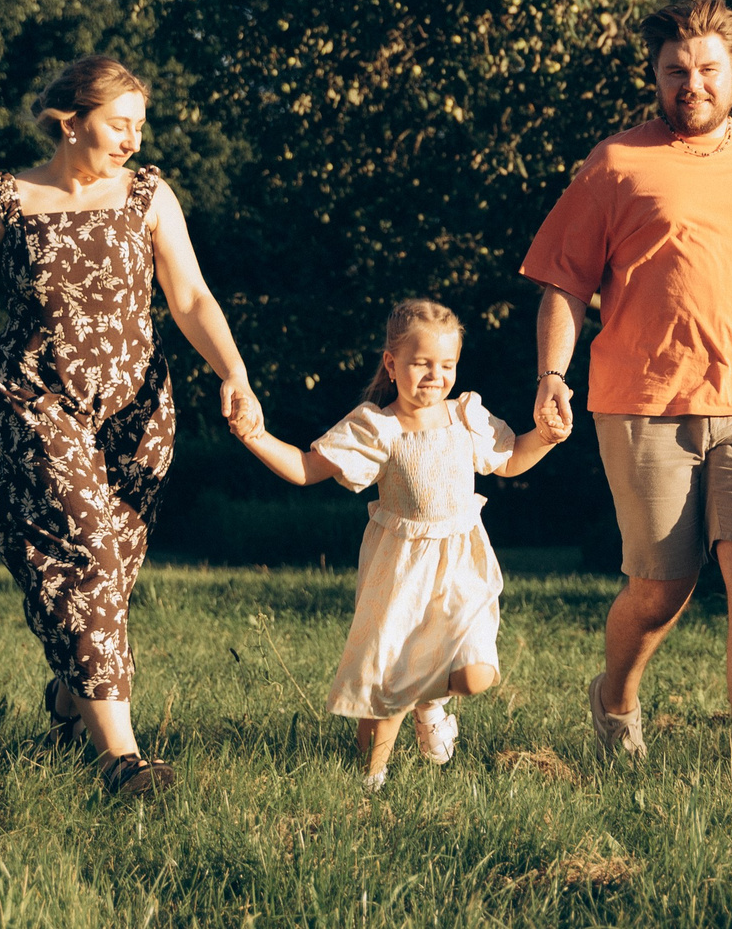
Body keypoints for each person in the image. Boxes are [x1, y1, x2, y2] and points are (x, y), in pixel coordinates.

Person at [522, 0, 732, 792]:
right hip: (642, 405)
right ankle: (615, 697)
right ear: (656, 75)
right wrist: (551, 376)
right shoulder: (616, 164)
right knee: (661, 588)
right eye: (677, 71)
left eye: (708, 69)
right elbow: (563, 284)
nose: (692, 84)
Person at [0, 54, 263, 799]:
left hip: (136, 414)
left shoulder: (148, 195)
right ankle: (121, 757)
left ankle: (70, 704)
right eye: (119, 123)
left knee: (111, 580)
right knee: (92, 559)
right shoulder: (3, 202)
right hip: (37, 402)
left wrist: (233, 371)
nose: (134, 138)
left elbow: (191, 297)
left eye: (140, 124)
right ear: (71, 119)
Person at [239, 298, 570, 788]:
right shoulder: (378, 427)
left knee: (477, 677)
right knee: (390, 679)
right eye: (421, 364)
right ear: (392, 365)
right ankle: (372, 780)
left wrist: (544, 437)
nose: (435, 376)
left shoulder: (466, 417)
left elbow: (512, 458)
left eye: (447, 365)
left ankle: (432, 702)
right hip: (402, 569)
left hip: (461, 564)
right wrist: (255, 435)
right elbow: (307, 468)